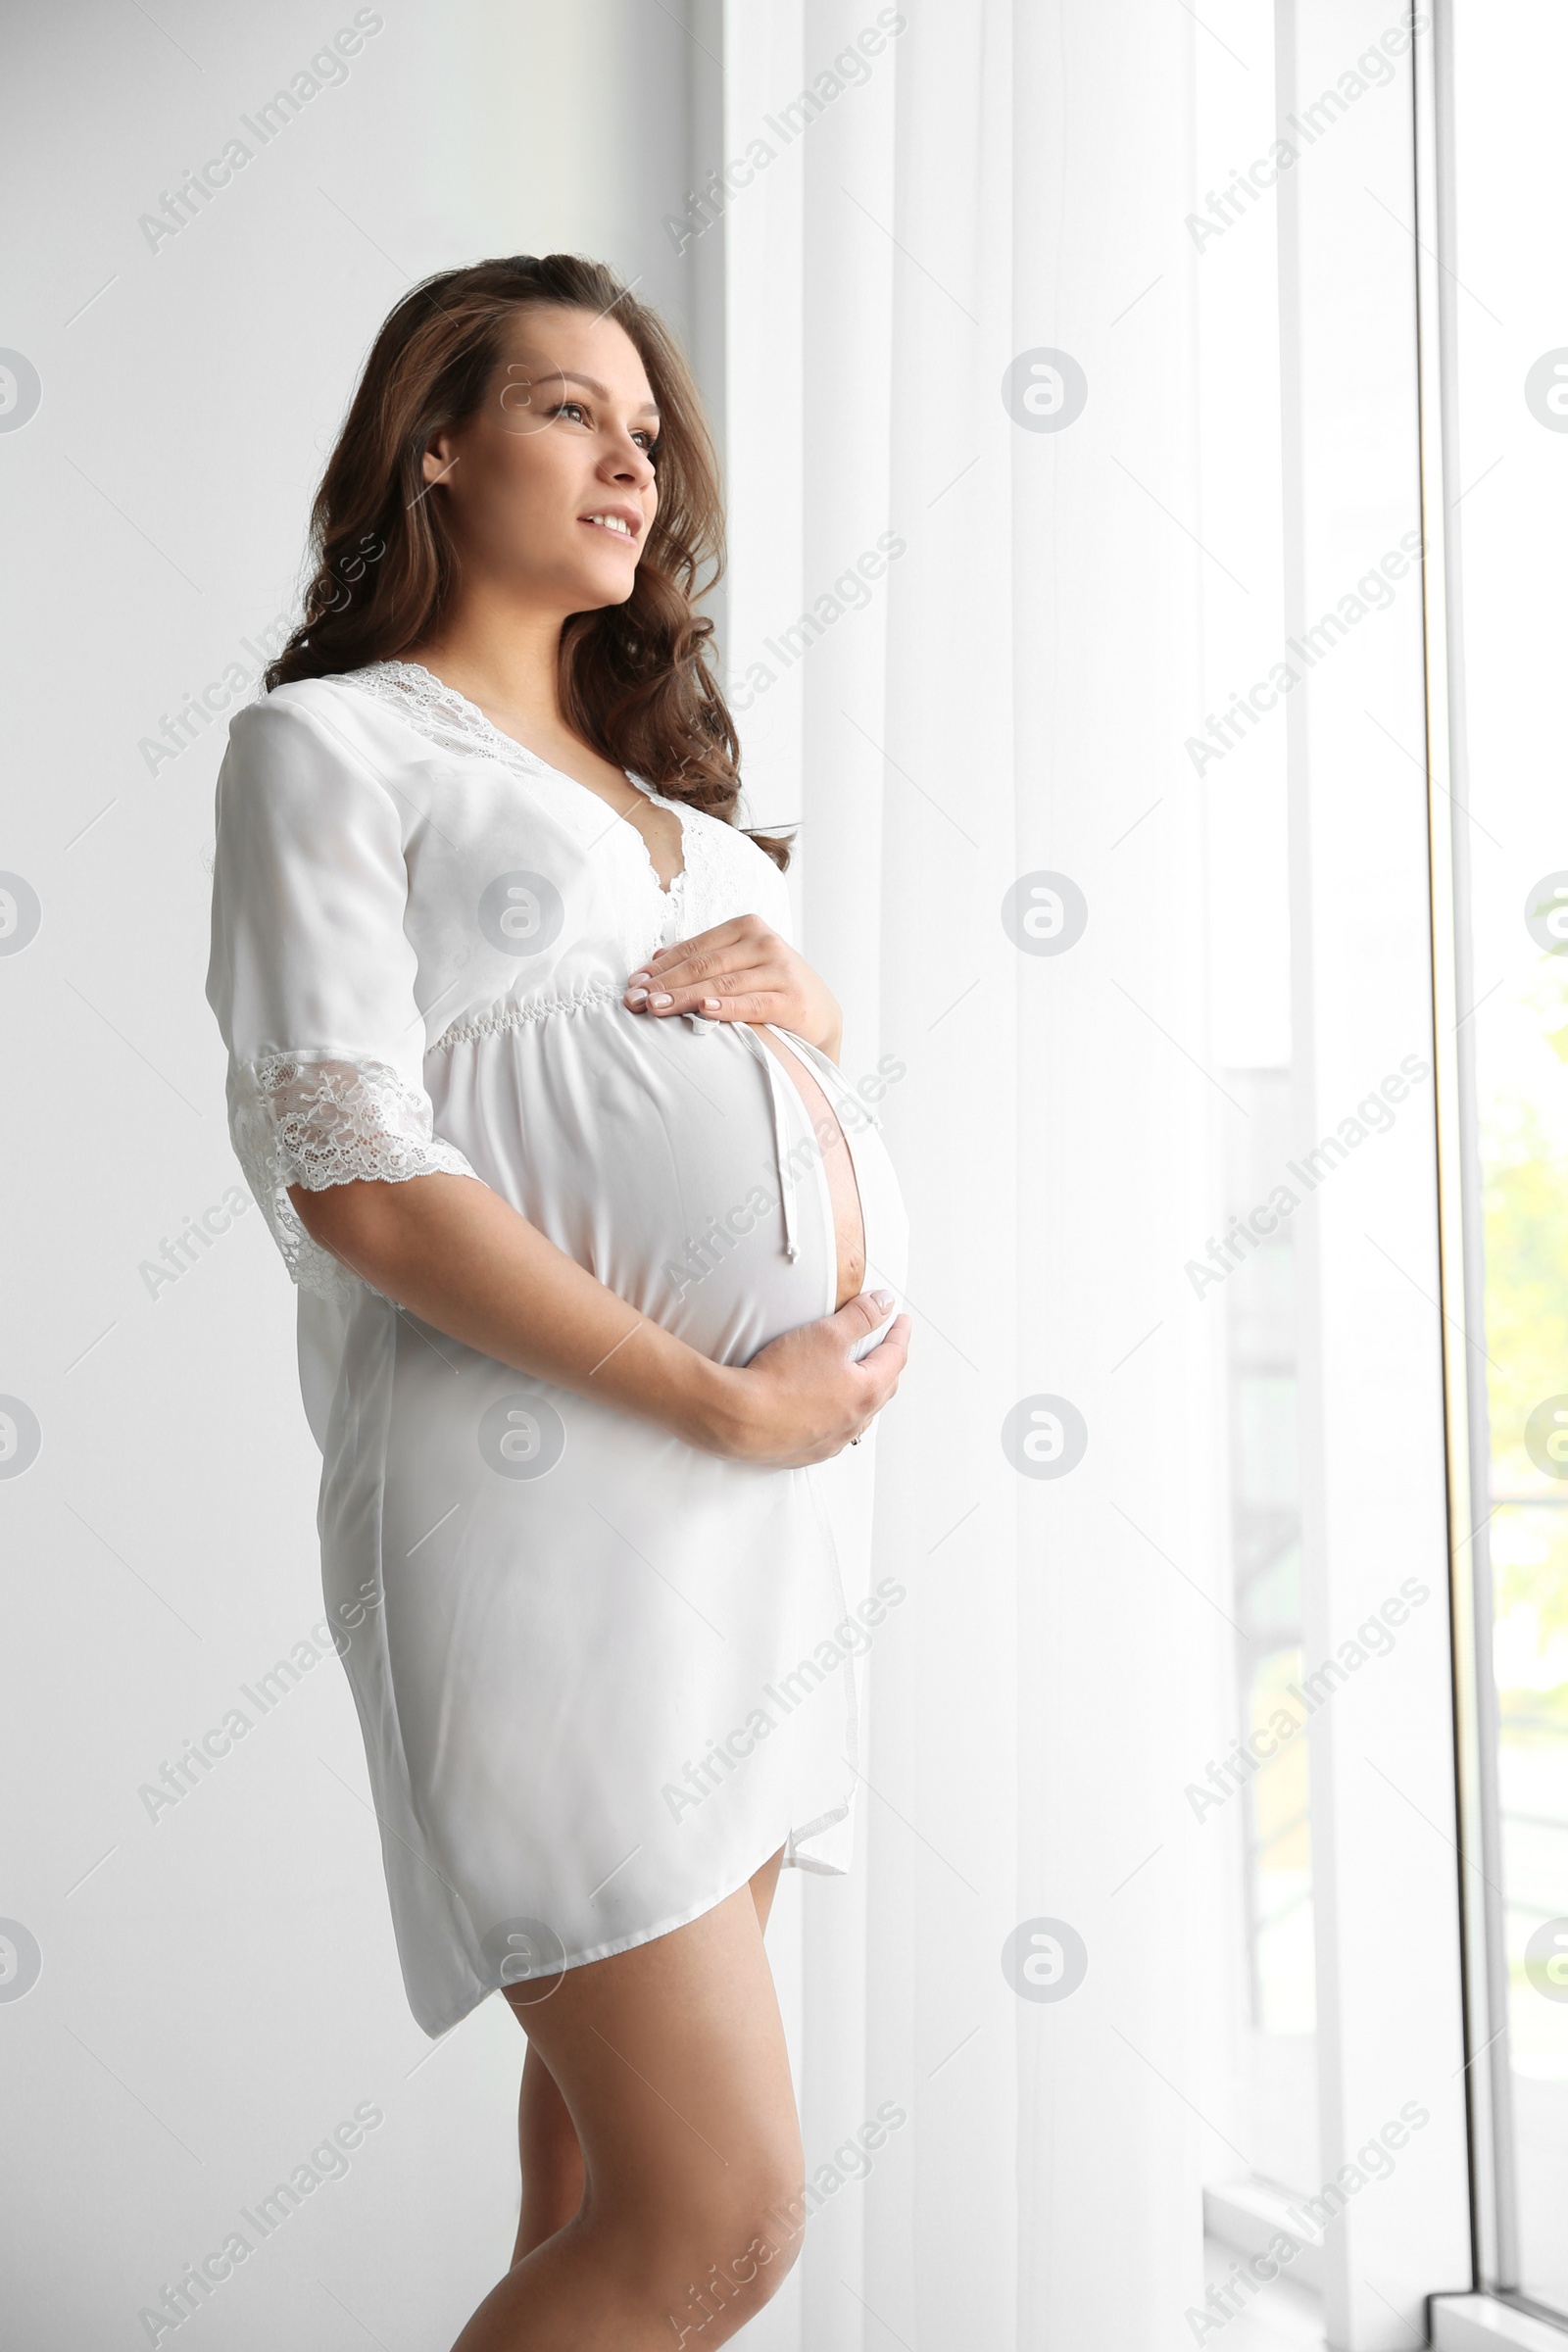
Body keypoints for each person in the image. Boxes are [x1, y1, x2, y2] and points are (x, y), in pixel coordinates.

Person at [204, 252, 910, 2347]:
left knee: (599, 2178)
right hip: (542, 1507)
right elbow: (357, 1170)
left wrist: (809, 1015)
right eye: (569, 412)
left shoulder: (695, 825)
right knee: (719, 2222)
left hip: (758, 1527)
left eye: (646, 425)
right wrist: (716, 1399)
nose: (636, 459)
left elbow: (727, 1108)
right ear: (437, 445)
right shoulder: (327, 750)